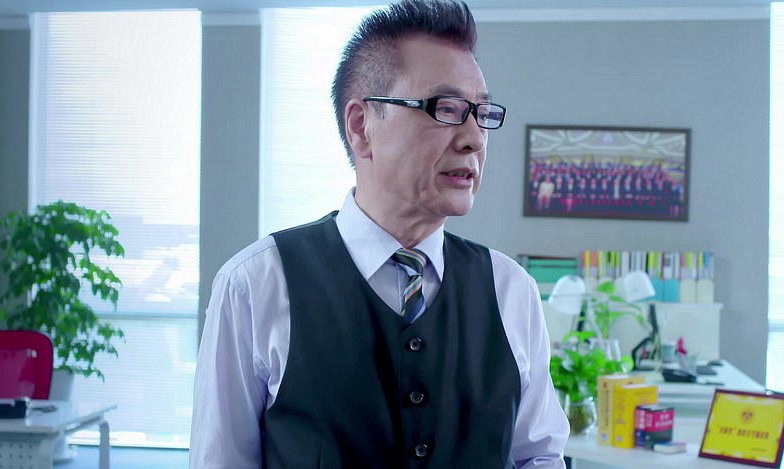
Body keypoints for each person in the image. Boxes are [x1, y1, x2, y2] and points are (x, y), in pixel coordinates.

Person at [189, 1, 569, 467]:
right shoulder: (254, 285)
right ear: (361, 127)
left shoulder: (512, 291)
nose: (474, 138)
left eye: (481, 113)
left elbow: (539, 457)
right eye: (446, 109)